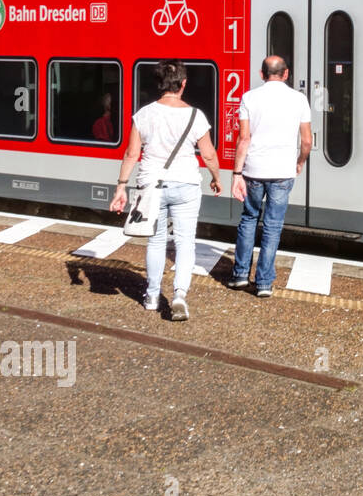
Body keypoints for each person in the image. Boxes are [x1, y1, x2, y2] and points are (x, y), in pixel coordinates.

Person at [110, 60, 222, 320]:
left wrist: (121, 187)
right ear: (183, 84)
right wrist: (216, 178)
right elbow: (208, 154)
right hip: (186, 184)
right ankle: (179, 295)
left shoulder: (144, 114)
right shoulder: (196, 115)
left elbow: (131, 154)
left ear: (160, 85)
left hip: (151, 185)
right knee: (184, 243)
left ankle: (151, 295)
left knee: (156, 240)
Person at [228, 56, 313, 297]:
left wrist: (236, 173)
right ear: (286, 74)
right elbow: (306, 140)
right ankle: (264, 283)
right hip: (283, 172)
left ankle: (240, 275)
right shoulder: (299, 99)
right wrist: (300, 161)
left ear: (261, 74)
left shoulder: (249, 97)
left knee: (248, 219)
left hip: (254, 170)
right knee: (273, 226)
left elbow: (244, 138)